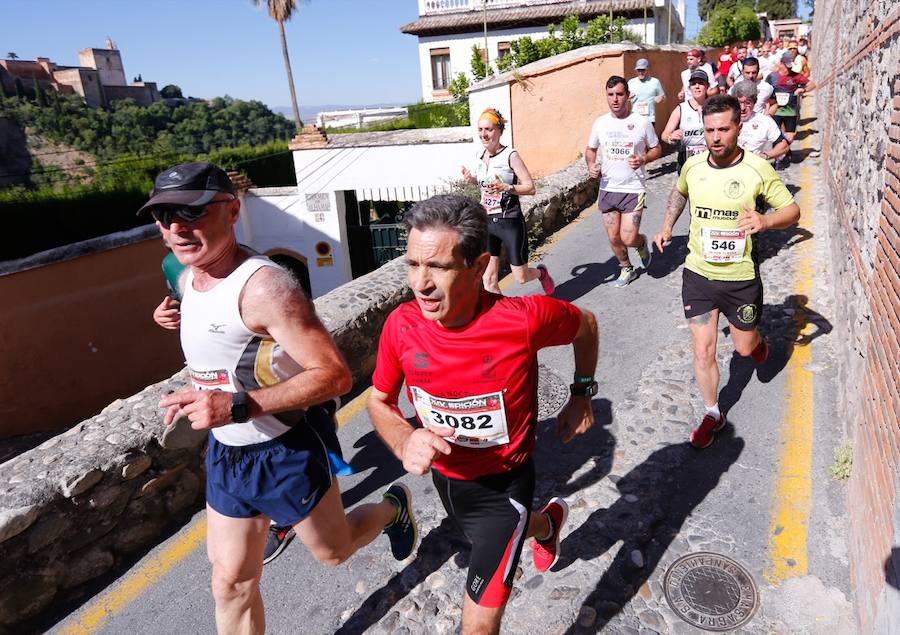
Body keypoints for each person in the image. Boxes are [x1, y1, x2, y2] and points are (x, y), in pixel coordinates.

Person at [142, 162, 417, 634]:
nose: (175, 228)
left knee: (334, 551)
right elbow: (203, 312)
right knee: (230, 582)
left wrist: (235, 405)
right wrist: (170, 312)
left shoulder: (267, 288)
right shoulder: (184, 273)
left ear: (232, 210)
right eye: (163, 215)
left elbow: (333, 377)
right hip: (228, 453)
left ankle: (393, 508)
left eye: (191, 213)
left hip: (287, 447)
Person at [367, 194, 599, 635]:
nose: (421, 283)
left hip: (503, 486)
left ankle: (537, 523)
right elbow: (379, 401)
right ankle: (548, 524)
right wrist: (404, 439)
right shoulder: (401, 324)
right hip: (449, 482)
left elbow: (585, 324)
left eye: (437, 267)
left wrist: (582, 394)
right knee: (511, 528)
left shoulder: (522, 319)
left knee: (477, 625)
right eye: (413, 265)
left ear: (478, 267)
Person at [653, 96, 800, 448]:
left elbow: (792, 211)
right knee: (703, 350)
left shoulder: (757, 169)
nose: (715, 137)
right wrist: (666, 225)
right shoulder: (693, 165)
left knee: (745, 348)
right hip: (698, 274)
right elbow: (679, 192)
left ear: (738, 128)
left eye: (723, 129)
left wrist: (765, 221)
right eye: (709, 130)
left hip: (739, 278)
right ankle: (712, 413)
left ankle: (759, 344)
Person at [461, 108, 554, 295]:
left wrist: (508, 188)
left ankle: (541, 274)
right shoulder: (479, 157)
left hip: (510, 221)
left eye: (488, 129)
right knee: (488, 279)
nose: (483, 135)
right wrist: (470, 179)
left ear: (499, 130)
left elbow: (530, 187)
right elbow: (484, 185)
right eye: (480, 130)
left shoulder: (510, 155)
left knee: (521, 277)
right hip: (487, 221)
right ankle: (503, 318)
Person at [585, 75, 661, 287]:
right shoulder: (600, 123)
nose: (615, 99)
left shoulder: (641, 122)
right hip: (608, 187)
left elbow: (657, 148)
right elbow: (590, 150)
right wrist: (591, 165)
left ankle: (641, 243)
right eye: (611, 95)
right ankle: (627, 268)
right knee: (613, 237)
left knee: (628, 237)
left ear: (628, 96)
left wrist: (644, 158)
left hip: (633, 187)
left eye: (619, 94)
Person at [767, 53, 816, 168]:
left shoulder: (796, 76)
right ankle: (778, 159)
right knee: (775, 136)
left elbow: (812, 85)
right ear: (780, 64)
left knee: (790, 137)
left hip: (790, 111)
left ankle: (784, 149)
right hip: (776, 111)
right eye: (786, 65)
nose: (789, 68)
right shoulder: (772, 77)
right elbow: (765, 90)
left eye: (790, 66)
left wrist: (802, 90)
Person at [662, 70, 711, 174]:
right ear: (689, 88)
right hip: (686, 157)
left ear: (707, 86)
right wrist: (671, 138)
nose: (697, 87)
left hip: (710, 156)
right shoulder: (681, 108)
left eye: (701, 83)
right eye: (693, 84)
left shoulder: (715, 107)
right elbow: (665, 135)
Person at [733, 81, 789, 162]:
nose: (742, 108)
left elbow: (784, 146)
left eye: (748, 103)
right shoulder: (724, 119)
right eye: (739, 103)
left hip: (753, 167)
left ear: (754, 103)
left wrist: (765, 155)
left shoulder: (765, 121)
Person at [628, 58, 666, 124]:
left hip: (649, 119)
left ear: (647, 69)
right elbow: (624, 99)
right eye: (638, 70)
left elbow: (664, 97)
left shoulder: (655, 82)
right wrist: (627, 98)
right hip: (635, 118)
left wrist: (661, 98)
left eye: (643, 70)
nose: (640, 72)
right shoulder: (631, 82)